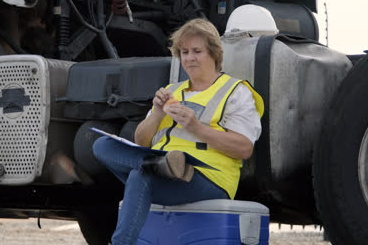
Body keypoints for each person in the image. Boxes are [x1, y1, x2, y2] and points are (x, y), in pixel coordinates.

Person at [92, 18, 264, 245]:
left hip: (210, 178)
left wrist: (196, 127)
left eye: (197, 51)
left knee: (140, 176)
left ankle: (165, 168)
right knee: (101, 145)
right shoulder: (173, 90)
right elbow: (142, 140)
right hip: (164, 168)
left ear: (213, 53)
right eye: (184, 52)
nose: (189, 58)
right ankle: (163, 166)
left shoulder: (235, 91)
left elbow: (244, 148)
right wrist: (156, 113)